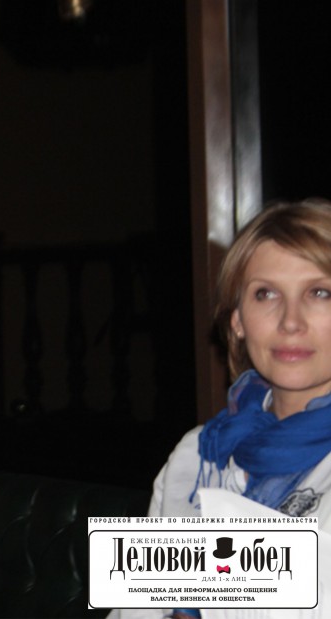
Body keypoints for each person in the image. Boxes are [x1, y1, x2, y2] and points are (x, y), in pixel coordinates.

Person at [110, 198, 331, 619]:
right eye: (265, 293)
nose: (290, 321)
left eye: (320, 292)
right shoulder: (196, 456)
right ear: (237, 321)